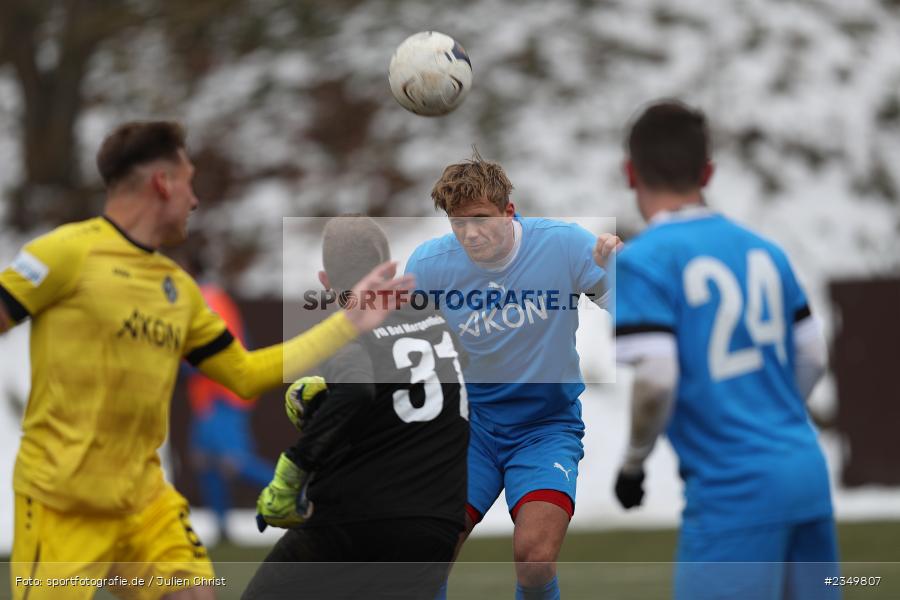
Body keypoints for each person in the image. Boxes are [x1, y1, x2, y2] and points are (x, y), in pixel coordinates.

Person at [0, 121, 413, 600]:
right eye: (189, 181)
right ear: (163, 183)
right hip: (62, 503)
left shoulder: (178, 290)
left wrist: (348, 323)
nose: (194, 201)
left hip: (144, 500)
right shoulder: (64, 253)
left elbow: (244, 374)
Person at [608, 101, 837, 600]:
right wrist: (769, 414)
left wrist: (633, 463)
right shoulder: (764, 249)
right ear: (707, 171)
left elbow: (657, 377)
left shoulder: (643, 261)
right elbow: (814, 354)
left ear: (631, 172)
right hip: (806, 473)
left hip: (734, 492)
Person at [404, 152, 620, 600]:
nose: (471, 233)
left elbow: (637, 308)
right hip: (470, 429)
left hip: (545, 428)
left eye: (481, 219)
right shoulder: (429, 265)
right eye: (458, 224)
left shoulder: (564, 245)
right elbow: (395, 339)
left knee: (535, 559)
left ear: (508, 211)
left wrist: (621, 268)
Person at [243, 216, 470, 600]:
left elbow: (358, 391)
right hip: (437, 524)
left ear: (325, 282)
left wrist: (293, 471)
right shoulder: (437, 320)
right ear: (389, 268)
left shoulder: (348, 326)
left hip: (358, 519)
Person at [185, 278, 274, 542]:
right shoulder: (208, 296)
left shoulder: (208, 297)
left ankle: (300, 493)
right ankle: (222, 529)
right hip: (207, 397)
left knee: (233, 462)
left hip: (222, 393)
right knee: (204, 459)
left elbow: (217, 346)